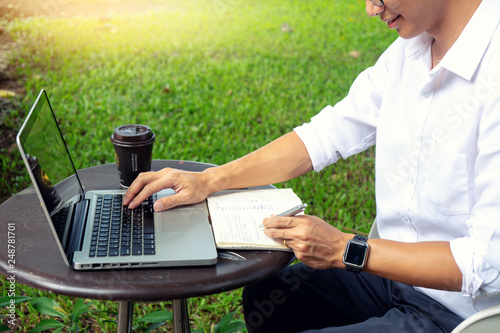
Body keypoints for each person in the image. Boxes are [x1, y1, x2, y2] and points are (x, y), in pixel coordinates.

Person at [123, 0, 500, 331]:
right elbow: (327, 134)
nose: (371, 9)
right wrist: (211, 179)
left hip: (460, 313)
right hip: (389, 274)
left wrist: (344, 249)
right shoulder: (413, 48)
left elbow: (486, 264)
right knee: (268, 300)